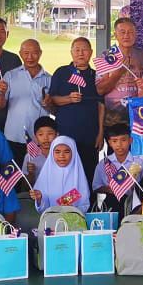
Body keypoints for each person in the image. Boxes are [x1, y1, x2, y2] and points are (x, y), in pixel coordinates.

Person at [49, 37, 105, 180]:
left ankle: (88, 196)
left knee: (88, 173)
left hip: (90, 135)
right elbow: (52, 99)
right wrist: (68, 99)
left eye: (84, 50)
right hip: (66, 133)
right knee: (66, 173)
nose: (81, 53)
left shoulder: (96, 76)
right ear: (71, 52)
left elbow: (101, 105)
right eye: (77, 50)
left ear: (91, 52)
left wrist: (100, 132)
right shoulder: (62, 72)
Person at [0, 39, 52, 163]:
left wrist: (49, 104)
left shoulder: (49, 79)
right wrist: (1, 93)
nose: (30, 57)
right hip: (14, 136)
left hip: (39, 139)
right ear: (20, 54)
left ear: (40, 53)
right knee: (14, 172)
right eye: (26, 53)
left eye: (34, 53)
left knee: (36, 172)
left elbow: (54, 110)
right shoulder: (10, 75)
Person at [94, 17, 143, 126]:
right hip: (113, 115)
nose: (126, 36)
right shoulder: (107, 57)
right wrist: (118, 73)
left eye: (130, 32)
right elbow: (100, 90)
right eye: (122, 32)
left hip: (138, 112)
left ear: (136, 35)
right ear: (115, 35)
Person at [91, 124, 143, 215]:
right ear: (109, 143)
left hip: (134, 206)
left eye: (123, 140)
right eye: (114, 141)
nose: (119, 144)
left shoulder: (139, 163)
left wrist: (134, 186)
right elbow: (96, 187)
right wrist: (110, 189)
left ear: (130, 140)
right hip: (111, 208)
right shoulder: (103, 164)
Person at [30, 136, 94, 212]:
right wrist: (39, 199)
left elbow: (84, 204)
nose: (61, 156)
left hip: (73, 218)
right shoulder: (45, 175)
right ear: (52, 153)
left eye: (66, 152)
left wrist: (71, 209)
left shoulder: (79, 176)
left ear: (73, 153)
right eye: (57, 152)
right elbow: (42, 209)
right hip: (51, 218)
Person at [24, 116, 57, 183]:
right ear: (35, 138)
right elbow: (26, 185)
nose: (46, 138)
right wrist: (31, 173)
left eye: (50, 134)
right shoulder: (30, 157)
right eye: (41, 134)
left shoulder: (61, 155)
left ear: (57, 135)